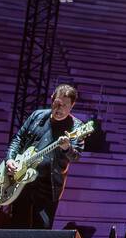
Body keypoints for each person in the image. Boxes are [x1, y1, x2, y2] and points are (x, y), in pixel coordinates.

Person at [5, 84, 84, 229]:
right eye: (57, 103)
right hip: (21, 182)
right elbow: (18, 139)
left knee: (41, 230)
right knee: (16, 226)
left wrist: (67, 147)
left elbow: (75, 156)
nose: (59, 109)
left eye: (65, 105)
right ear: (52, 100)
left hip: (48, 186)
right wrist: (10, 159)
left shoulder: (77, 128)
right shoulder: (37, 116)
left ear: (72, 105)